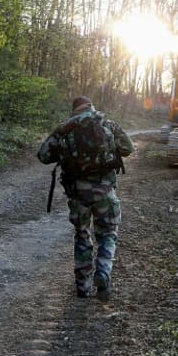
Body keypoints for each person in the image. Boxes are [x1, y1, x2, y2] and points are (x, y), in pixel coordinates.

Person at [37, 96, 134, 301]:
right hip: (105, 192)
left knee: (82, 235)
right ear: (91, 107)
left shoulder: (65, 129)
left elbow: (43, 155)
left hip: (78, 195)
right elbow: (128, 148)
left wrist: (64, 153)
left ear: (74, 111)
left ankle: (82, 287)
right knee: (107, 234)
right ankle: (103, 273)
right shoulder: (107, 124)